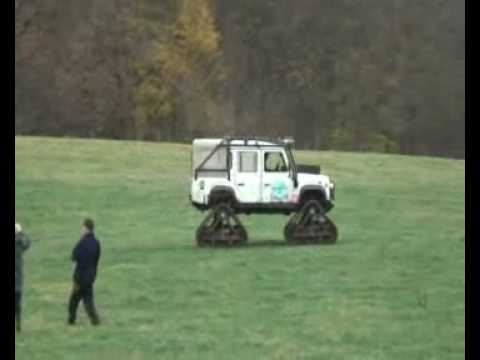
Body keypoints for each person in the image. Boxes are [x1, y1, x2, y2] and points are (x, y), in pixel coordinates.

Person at [68, 218, 101, 326]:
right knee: (88, 301)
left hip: (80, 277)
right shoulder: (96, 243)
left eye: (82, 227)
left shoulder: (82, 243)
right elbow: (97, 259)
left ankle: (71, 321)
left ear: (86, 228)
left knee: (73, 301)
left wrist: (74, 276)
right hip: (90, 277)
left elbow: (74, 257)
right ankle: (95, 321)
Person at [15, 222, 31, 333]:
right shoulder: (19, 246)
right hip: (18, 281)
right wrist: (21, 233)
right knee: (18, 305)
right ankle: (18, 324)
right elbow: (28, 243)